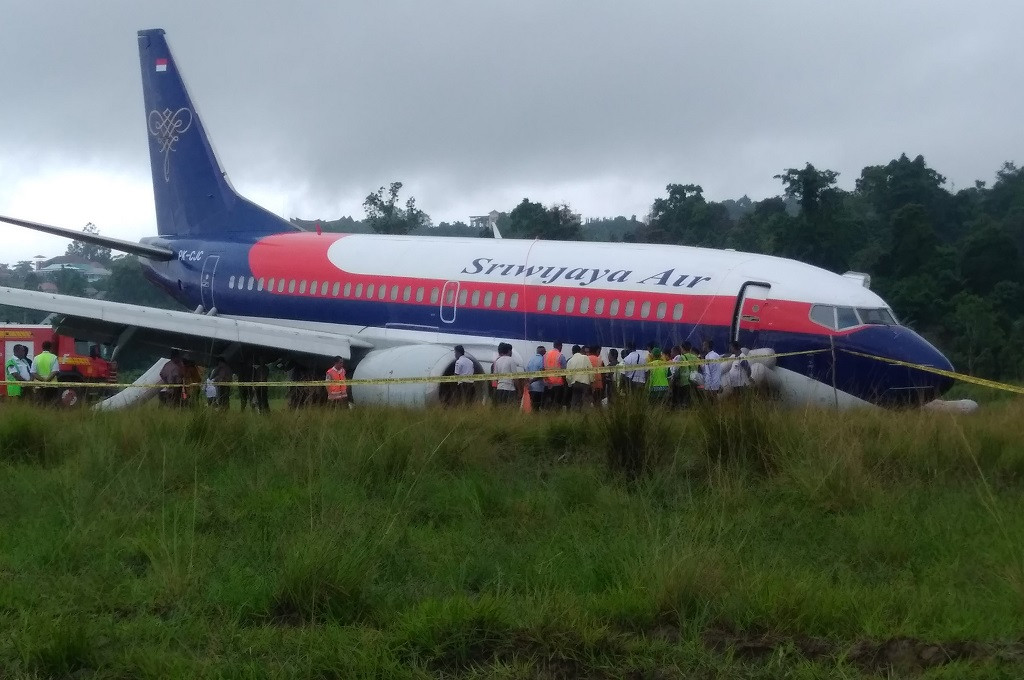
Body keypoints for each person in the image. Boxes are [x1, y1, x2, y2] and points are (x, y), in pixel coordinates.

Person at [565, 345, 593, 409]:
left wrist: (570, 384)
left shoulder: (570, 361)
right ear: (580, 350)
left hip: (575, 384)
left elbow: (568, 376)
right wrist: (591, 381)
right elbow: (591, 371)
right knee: (585, 403)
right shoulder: (585, 358)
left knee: (575, 401)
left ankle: (575, 415)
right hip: (585, 384)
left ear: (572, 352)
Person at [543, 342, 567, 410]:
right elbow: (564, 371)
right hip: (558, 384)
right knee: (557, 402)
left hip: (547, 383)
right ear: (560, 346)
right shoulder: (560, 356)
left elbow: (542, 369)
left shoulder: (545, 355)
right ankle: (556, 416)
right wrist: (565, 383)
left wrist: (546, 380)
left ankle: (547, 416)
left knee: (548, 402)